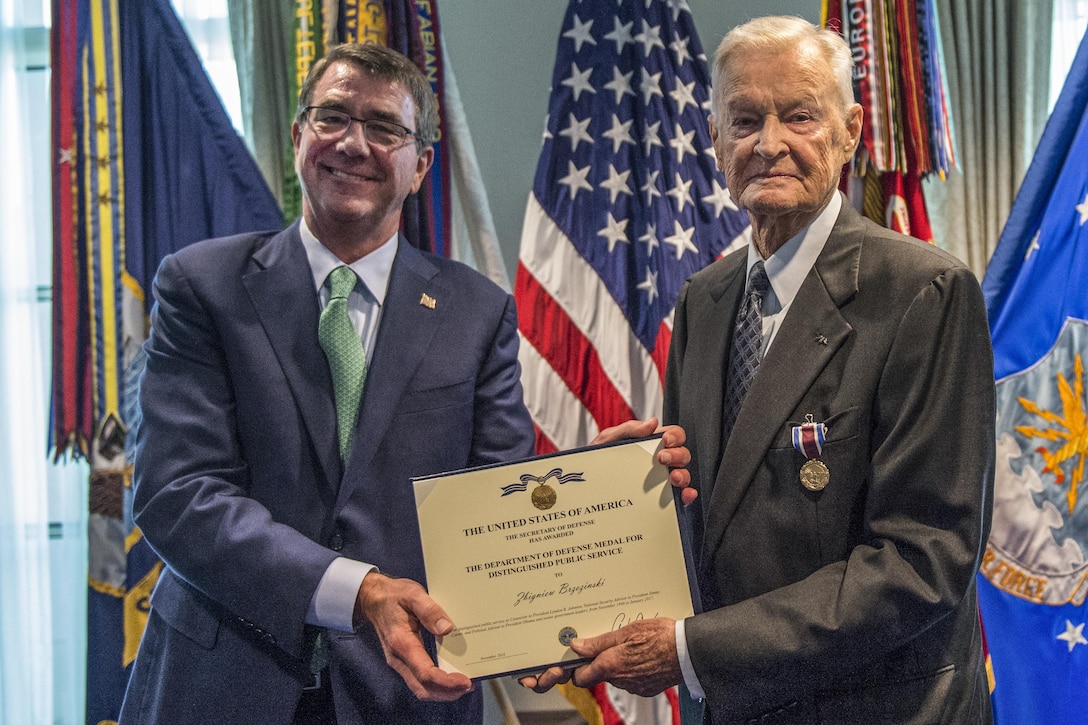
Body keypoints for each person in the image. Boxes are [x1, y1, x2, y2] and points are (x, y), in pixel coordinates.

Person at [522, 16, 995, 724]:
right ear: (715, 138)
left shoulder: (924, 293)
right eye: (744, 119)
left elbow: (921, 562)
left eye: (799, 115)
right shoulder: (705, 301)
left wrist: (687, 650)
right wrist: (622, 502)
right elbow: (714, 530)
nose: (769, 143)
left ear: (850, 130)